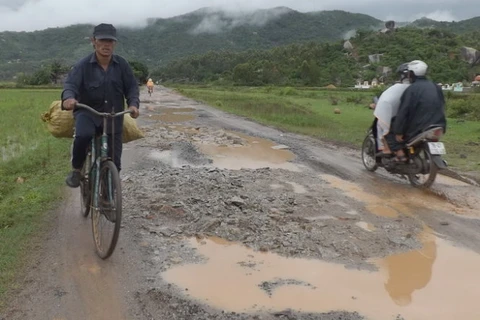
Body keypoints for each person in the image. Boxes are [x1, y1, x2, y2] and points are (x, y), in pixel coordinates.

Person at [61, 23, 140, 188]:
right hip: (87, 114)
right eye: (102, 40)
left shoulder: (122, 65)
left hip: (113, 116)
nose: (106, 45)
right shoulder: (83, 65)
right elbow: (70, 85)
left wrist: (133, 104)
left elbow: (132, 87)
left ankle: (108, 195)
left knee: (115, 162)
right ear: (93, 41)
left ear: (115, 44)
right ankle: (76, 169)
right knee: (83, 136)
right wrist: (69, 98)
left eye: (110, 41)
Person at [387, 60, 447, 162]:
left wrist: (398, 132)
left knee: (390, 127)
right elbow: (442, 104)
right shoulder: (436, 87)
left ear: (411, 74)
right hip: (438, 123)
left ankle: (400, 154)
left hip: (419, 126)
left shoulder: (412, 89)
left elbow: (404, 111)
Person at [373, 63, 411, 154]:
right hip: (416, 118)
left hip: (398, 117)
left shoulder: (396, 87)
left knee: (382, 125)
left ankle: (386, 148)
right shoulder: (418, 87)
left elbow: (386, 101)